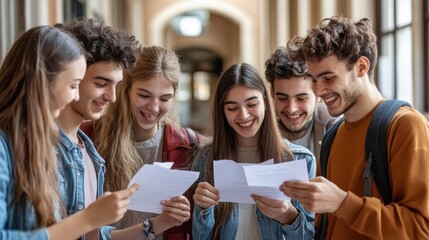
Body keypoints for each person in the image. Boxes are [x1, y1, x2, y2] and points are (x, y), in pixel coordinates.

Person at [281, 16, 429, 239]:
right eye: (313, 79)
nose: (318, 91)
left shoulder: (406, 126)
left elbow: (421, 229)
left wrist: (342, 203)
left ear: (361, 67)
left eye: (328, 78)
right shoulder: (332, 136)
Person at [55, 20, 192, 240]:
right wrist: (89, 219)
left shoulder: (89, 155)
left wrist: (167, 221)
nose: (112, 97)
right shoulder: (76, 142)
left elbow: (100, 235)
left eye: (164, 98)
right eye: (101, 84)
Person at [0, 25, 137, 240]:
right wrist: (87, 219)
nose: (74, 96)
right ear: (43, 81)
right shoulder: (7, 145)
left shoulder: (49, 145)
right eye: (74, 85)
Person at [82, 45, 206, 240]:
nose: (154, 107)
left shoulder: (190, 146)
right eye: (144, 95)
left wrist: (195, 211)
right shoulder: (87, 138)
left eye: (165, 98)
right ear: (125, 89)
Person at [191, 63, 316, 240]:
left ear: (266, 101)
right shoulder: (205, 159)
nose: (243, 115)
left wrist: (288, 216)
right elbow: (199, 237)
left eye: (251, 104)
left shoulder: (299, 159)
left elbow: (310, 236)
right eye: (232, 108)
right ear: (222, 111)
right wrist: (203, 208)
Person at [265, 46, 337, 159]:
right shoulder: (261, 129)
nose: (291, 109)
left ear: (318, 93)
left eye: (301, 98)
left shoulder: (333, 126)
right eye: (282, 98)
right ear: (272, 94)